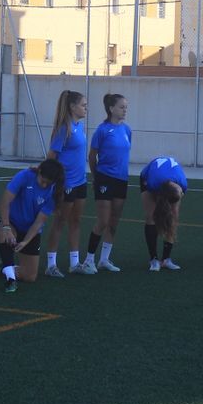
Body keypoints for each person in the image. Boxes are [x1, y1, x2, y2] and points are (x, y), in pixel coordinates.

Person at [0, 159, 64, 293]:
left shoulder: (55, 192)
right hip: (11, 222)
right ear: (39, 171)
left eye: (48, 183)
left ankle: (5, 266)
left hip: (30, 229)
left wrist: (26, 241)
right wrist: (6, 227)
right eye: (42, 180)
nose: (44, 185)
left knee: (30, 277)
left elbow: (39, 221)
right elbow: (5, 202)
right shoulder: (24, 176)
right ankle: (10, 280)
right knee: (6, 236)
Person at [83, 93, 132, 273]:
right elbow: (92, 156)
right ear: (111, 109)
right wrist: (97, 177)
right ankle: (89, 260)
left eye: (126, 107)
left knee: (113, 222)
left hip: (122, 179)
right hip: (104, 178)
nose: (125, 110)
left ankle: (104, 259)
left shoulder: (127, 130)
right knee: (103, 221)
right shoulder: (102, 130)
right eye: (121, 107)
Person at [44, 90, 91, 276]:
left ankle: (74, 263)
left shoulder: (79, 126)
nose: (86, 108)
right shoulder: (64, 128)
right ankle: (51, 265)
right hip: (67, 183)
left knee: (76, 221)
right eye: (83, 105)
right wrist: (52, 180)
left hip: (81, 182)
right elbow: (51, 156)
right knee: (60, 221)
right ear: (72, 107)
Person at [138, 155, 189, 271]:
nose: (182, 194)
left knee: (174, 216)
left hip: (168, 180)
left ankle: (166, 259)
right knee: (151, 216)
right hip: (148, 176)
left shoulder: (183, 185)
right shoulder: (152, 183)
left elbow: (175, 204)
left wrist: (171, 216)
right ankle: (154, 259)